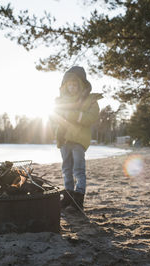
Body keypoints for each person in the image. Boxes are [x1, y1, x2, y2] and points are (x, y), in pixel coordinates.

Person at [53, 66, 102, 212]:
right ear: (65, 85)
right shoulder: (61, 101)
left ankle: (78, 197)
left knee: (78, 170)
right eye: (69, 84)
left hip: (79, 140)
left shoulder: (90, 100)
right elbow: (56, 118)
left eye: (75, 84)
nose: (72, 87)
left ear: (81, 84)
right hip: (64, 140)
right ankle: (68, 196)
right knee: (66, 169)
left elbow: (91, 117)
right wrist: (57, 133)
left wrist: (74, 115)